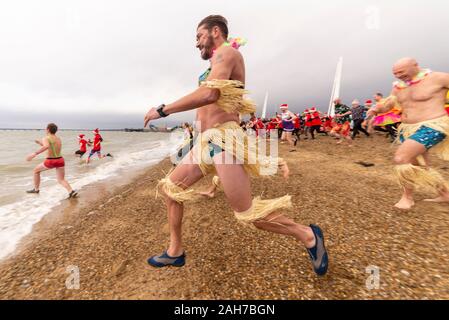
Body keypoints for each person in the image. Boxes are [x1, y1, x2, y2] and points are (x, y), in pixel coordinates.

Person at [143, 15, 328, 275]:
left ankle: (308, 235)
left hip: (224, 141)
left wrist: (163, 109)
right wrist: (196, 137)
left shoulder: (226, 53)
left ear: (215, 31)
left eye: (199, 36)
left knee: (248, 214)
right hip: (205, 141)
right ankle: (175, 252)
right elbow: (205, 105)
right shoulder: (214, 64)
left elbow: (210, 94)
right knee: (170, 189)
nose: (196, 43)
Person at [367, 58, 449, 210]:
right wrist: (376, 109)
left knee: (401, 158)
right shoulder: (398, 87)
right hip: (407, 128)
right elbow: (390, 104)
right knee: (419, 165)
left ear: (415, 65)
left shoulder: (438, 78)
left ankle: (407, 197)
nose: (398, 75)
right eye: (395, 73)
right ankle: (444, 193)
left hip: (432, 125)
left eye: (401, 72)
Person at [26, 123, 78, 198]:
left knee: (36, 171)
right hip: (60, 160)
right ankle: (71, 191)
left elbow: (46, 146)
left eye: (46, 128)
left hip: (51, 161)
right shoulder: (58, 138)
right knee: (61, 179)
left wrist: (34, 154)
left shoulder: (46, 138)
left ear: (48, 129)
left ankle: (36, 189)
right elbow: (49, 146)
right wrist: (39, 143)